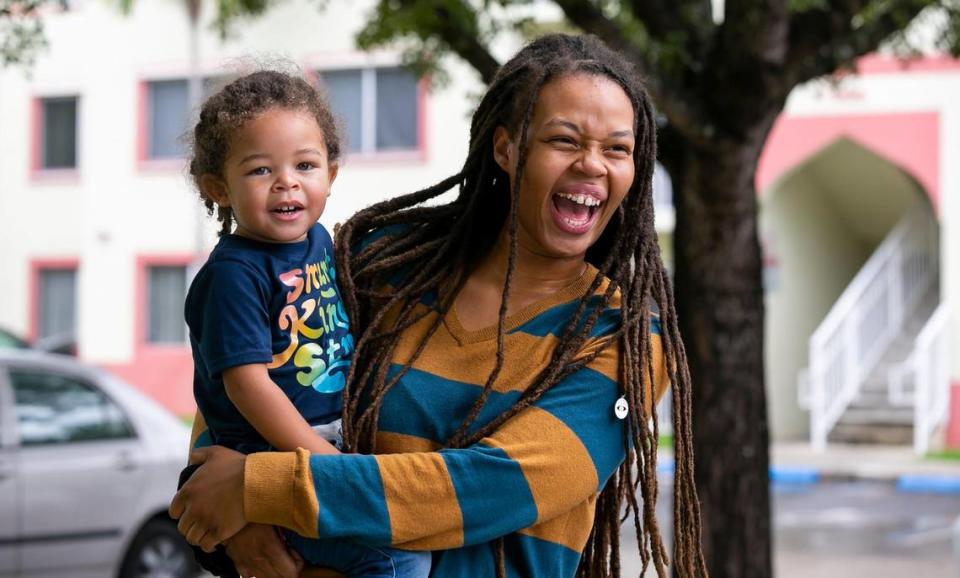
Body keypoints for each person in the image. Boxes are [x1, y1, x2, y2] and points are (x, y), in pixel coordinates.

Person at [171, 34, 706, 578]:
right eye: (563, 140)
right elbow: (240, 395)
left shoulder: (620, 337)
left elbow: (489, 489)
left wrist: (259, 489)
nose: (593, 165)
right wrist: (235, 520)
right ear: (506, 149)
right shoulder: (381, 266)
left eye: (617, 148)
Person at [181, 69, 431, 578]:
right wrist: (323, 461)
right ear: (218, 187)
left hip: (323, 446)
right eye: (259, 171)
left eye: (305, 164)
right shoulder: (234, 275)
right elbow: (249, 386)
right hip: (270, 458)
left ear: (331, 175)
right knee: (397, 560)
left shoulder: (318, 241)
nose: (286, 182)